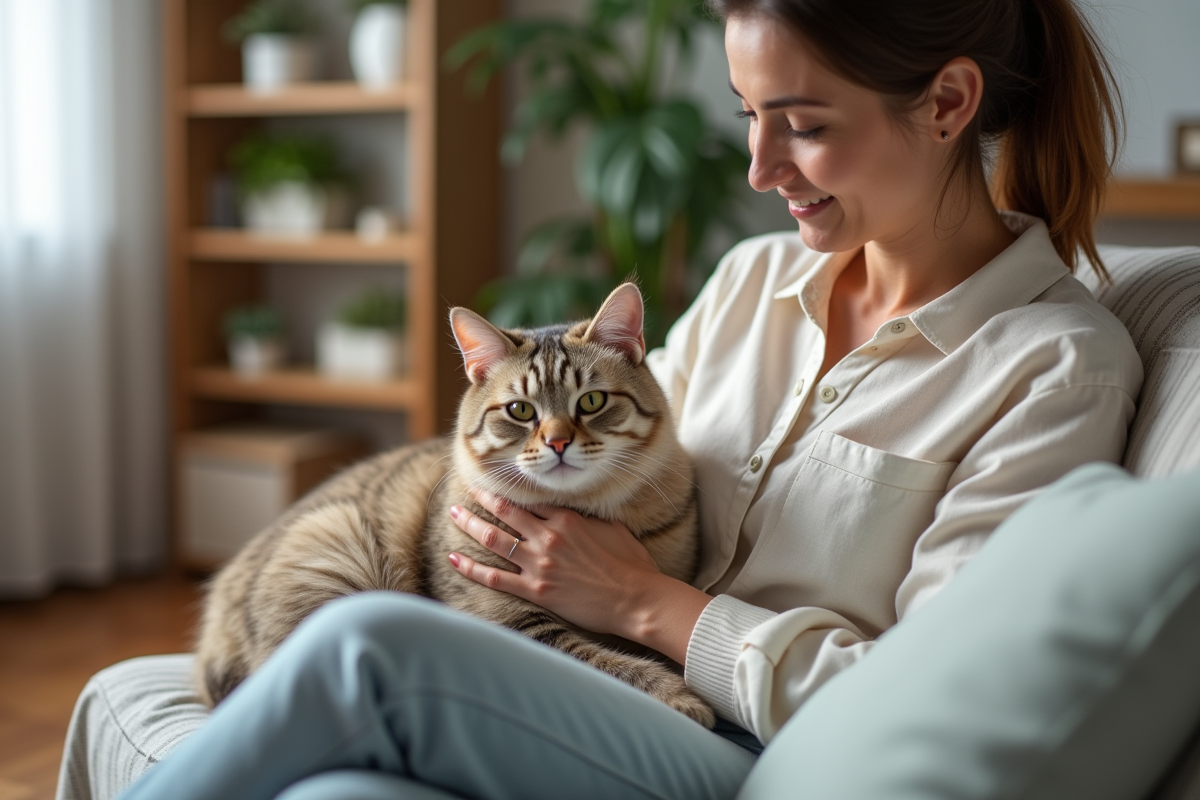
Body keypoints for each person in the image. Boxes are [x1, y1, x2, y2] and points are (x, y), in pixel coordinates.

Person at [116, 0, 1142, 798]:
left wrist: (652, 605)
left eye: (804, 126)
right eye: (748, 118)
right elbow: (610, 466)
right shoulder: (752, 282)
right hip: (599, 685)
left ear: (949, 104)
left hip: (764, 752)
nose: (757, 168)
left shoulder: (1056, 366)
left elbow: (930, 702)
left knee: (365, 646)